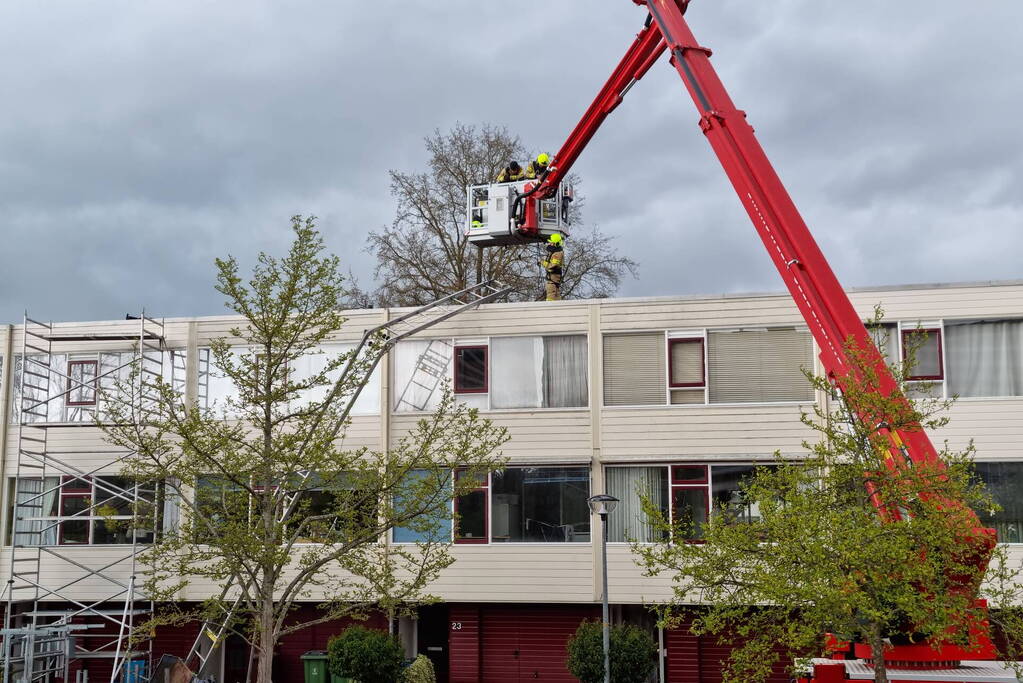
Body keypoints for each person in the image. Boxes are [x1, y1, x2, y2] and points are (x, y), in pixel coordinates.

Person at [540, 232, 565, 301]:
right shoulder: (554, 252)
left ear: (555, 243)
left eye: (551, 243)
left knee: (551, 293)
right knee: (555, 294)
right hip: (552, 277)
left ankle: (550, 308)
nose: (550, 244)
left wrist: (542, 262)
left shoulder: (557, 254)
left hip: (553, 277)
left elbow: (552, 266)